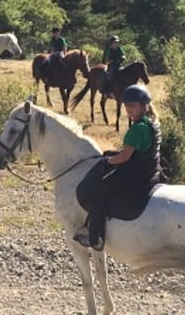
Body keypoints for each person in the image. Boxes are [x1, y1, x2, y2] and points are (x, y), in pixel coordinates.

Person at [75, 84, 162, 250]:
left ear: (144, 106)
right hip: (149, 169)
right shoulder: (151, 123)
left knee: (100, 188)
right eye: (127, 106)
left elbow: (125, 157)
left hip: (136, 173)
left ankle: (96, 237)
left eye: (133, 106)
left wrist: (107, 161)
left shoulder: (137, 129)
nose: (129, 110)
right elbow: (137, 150)